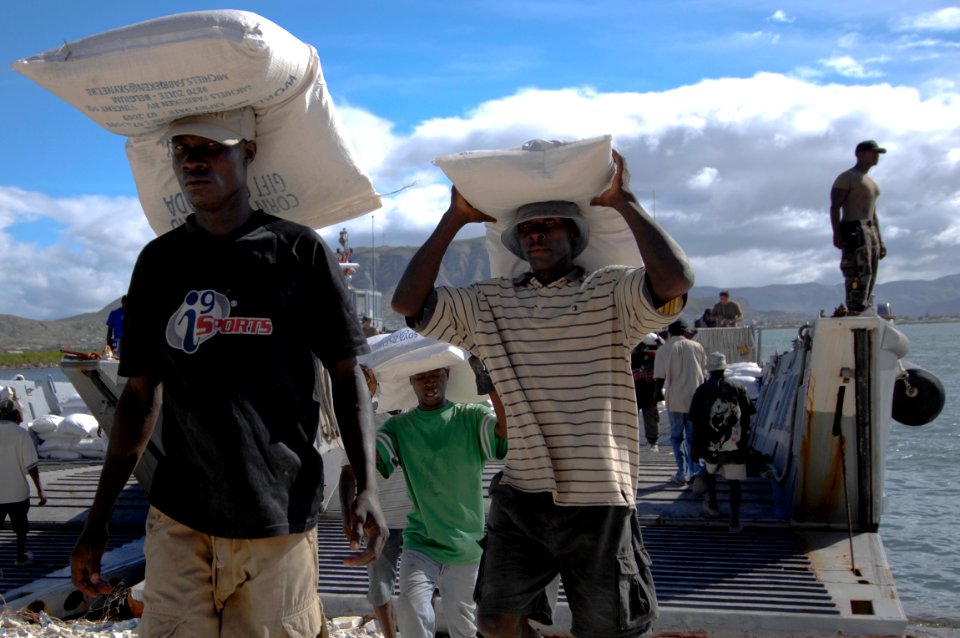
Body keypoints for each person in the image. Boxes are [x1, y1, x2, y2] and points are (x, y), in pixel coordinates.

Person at [70, 107, 387, 638]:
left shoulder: (298, 252)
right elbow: (139, 396)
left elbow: (346, 374)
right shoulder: (159, 262)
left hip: (278, 516)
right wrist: (98, 515)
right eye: (182, 150)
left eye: (211, 148)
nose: (193, 161)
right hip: (179, 518)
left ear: (249, 153)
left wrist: (366, 483)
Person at [391, 151, 693, 638]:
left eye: (552, 224)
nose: (537, 233)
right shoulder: (490, 304)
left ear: (574, 236)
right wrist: (454, 219)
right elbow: (408, 303)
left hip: (599, 497)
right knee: (494, 620)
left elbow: (675, 282)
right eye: (528, 228)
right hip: (522, 494)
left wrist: (625, 202)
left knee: (607, 629)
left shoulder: (610, 294)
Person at [375, 367, 507, 638]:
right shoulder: (399, 427)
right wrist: (362, 398)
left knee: (464, 627)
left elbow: (504, 432)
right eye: (421, 377)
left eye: (436, 375)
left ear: (448, 375)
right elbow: (369, 459)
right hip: (420, 542)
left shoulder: (471, 417)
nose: (429, 382)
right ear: (410, 381)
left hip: (466, 547)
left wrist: (491, 382)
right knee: (412, 611)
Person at [339, 365, 412, 638]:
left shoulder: (419, 415)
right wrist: (348, 515)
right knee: (381, 589)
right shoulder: (369, 419)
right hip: (381, 523)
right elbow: (347, 473)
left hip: (419, 521)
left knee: (421, 588)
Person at [689, 352, 756, 533]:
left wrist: (694, 447)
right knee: (735, 483)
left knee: (710, 475)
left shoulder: (702, 390)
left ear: (709, 369)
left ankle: (713, 505)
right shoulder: (739, 387)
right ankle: (734, 520)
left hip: (710, 445)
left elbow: (695, 421)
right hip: (735, 445)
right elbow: (748, 416)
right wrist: (744, 440)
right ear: (725, 367)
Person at [830, 140, 888, 314]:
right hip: (854, 228)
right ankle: (855, 306)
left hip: (870, 230)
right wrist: (837, 233)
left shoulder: (871, 182)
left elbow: (873, 212)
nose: (876, 156)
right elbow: (835, 206)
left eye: (877, 153)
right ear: (860, 154)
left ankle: (863, 306)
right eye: (873, 152)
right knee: (858, 271)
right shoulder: (847, 177)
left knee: (871, 272)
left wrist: (880, 239)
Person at [654, 319, 706, 487]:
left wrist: (657, 400)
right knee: (693, 438)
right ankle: (695, 471)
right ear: (685, 332)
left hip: (675, 399)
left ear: (669, 332)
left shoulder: (663, 350)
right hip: (695, 400)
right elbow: (704, 373)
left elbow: (659, 379)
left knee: (677, 437)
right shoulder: (697, 347)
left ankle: (682, 473)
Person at [0, 397, 47, 566]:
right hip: (17, 493)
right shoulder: (21, 434)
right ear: (16, 414)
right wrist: (40, 491)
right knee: (21, 529)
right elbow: (32, 466)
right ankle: (19, 557)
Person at [632, 332, 665, 452]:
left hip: (646, 393)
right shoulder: (631, 358)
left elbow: (663, 352)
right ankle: (644, 441)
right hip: (636, 392)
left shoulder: (652, 356)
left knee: (650, 417)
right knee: (635, 418)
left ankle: (652, 441)